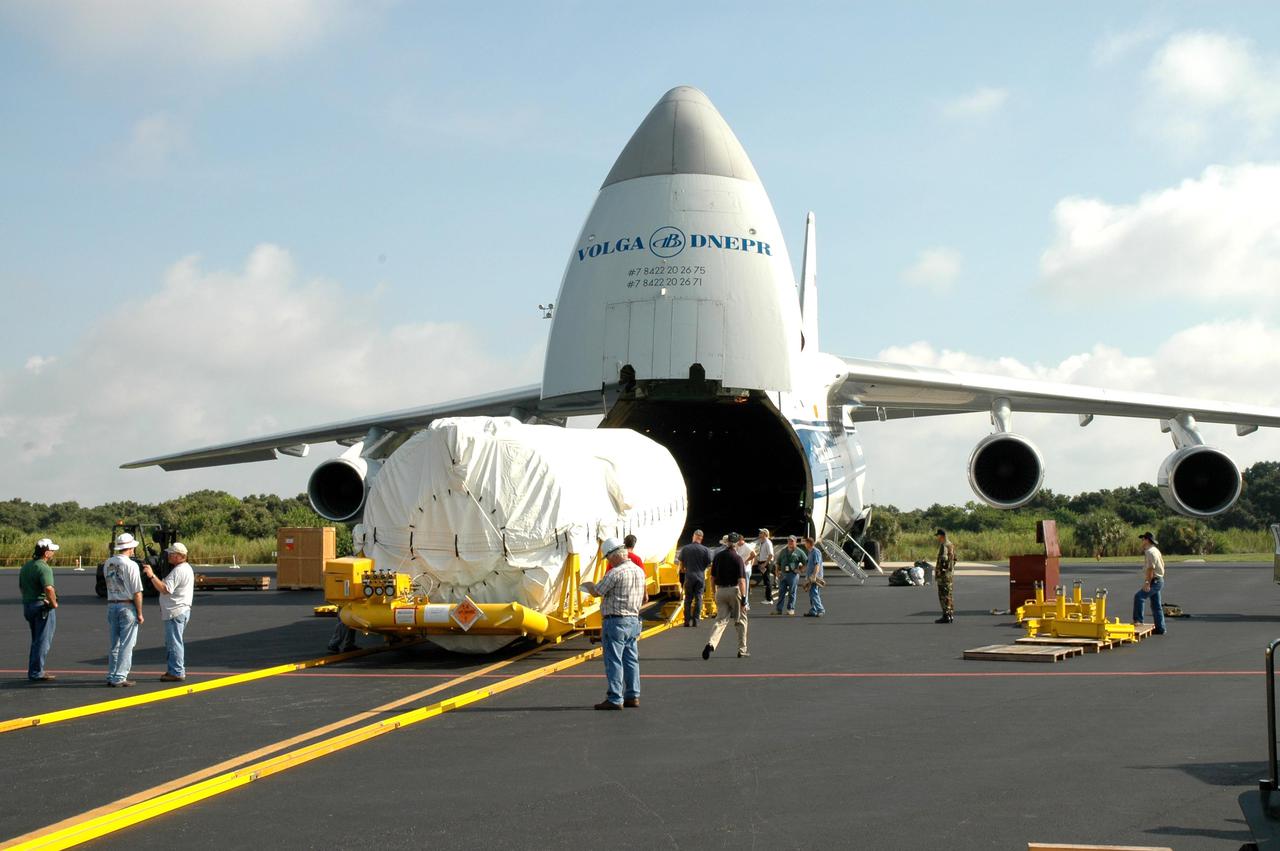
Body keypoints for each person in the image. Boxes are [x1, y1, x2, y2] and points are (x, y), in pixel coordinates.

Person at [582, 537, 646, 709]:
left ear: (615, 555)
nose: (609, 561)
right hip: (633, 620)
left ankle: (615, 698)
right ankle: (633, 695)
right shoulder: (639, 571)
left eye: (609, 558)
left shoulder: (615, 573)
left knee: (614, 660)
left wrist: (587, 586)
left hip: (615, 621)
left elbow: (598, 591)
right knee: (631, 659)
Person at [142, 542, 194, 681]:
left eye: (171, 554)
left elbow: (165, 589)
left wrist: (152, 576)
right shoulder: (185, 568)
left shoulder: (179, 571)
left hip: (175, 611)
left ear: (178, 556)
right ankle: (174, 669)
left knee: (174, 642)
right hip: (179, 610)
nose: (168, 556)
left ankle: (176, 671)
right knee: (173, 641)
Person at [103, 532, 145, 687]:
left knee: (115, 643)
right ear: (130, 548)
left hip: (112, 603)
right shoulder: (131, 565)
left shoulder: (108, 563)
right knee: (127, 643)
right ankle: (120, 676)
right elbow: (137, 592)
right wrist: (140, 613)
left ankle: (112, 673)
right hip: (126, 604)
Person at [19, 537, 60, 682]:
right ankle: (36, 672)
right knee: (43, 640)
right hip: (41, 607)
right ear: (46, 553)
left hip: (28, 605)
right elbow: (48, 588)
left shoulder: (26, 566)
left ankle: (35, 669)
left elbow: (22, 587)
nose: (53, 553)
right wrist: (54, 603)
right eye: (52, 551)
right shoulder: (44, 567)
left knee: (36, 640)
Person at [703, 532, 749, 659]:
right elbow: (742, 581)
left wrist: (713, 593)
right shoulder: (737, 558)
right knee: (741, 620)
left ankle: (711, 643)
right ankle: (742, 649)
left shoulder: (718, 557)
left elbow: (712, 578)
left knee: (721, 620)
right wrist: (744, 598)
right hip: (733, 590)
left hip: (720, 591)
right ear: (736, 544)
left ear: (727, 542)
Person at [676, 529, 712, 627]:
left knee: (688, 599)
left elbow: (681, 564)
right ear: (701, 538)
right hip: (700, 576)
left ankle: (687, 621)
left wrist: (684, 569)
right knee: (699, 598)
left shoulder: (685, 549)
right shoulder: (705, 550)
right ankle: (696, 620)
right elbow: (709, 564)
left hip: (689, 576)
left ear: (693, 536)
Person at [1133, 531, 1167, 635]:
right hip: (1159, 579)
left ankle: (1138, 621)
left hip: (1154, 581)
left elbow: (1150, 569)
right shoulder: (1155, 550)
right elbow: (1162, 564)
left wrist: (1147, 583)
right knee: (1156, 605)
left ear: (1147, 540)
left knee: (1139, 597)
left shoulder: (1150, 552)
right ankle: (1160, 628)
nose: (1142, 541)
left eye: (1143, 539)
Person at [774, 536, 805, 615]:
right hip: (783, 574)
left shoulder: (799, 552)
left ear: (795, 542)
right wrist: (777, 572)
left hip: (793, 575)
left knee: (792, 592)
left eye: (792, 541)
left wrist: (800, 570)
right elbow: (778, 562)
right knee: (781, 592)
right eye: (789, 541)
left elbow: (806, 562)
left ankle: (790, 609)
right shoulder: (783, 551)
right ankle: (779, 609)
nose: (790, 542)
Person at [934, 529, 956, 623]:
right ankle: (950, 614)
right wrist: (950, 569)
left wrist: (940, 571)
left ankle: (946, 615)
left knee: (943, 595)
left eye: (938, 536)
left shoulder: (944, 546)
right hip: (950, 574)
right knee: (949, 594)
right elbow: (955, 559)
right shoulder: (951, 545)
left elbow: (943, 559)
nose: (937, 538)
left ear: (941, 536)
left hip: (944, 575)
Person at [802, 536, 825, 617]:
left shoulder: (815, 552)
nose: (804, 544)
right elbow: (809, 564)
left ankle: (820, 610)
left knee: (813, 593)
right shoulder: (810, 552)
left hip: (815, 577)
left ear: (809, 543)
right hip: (810, 576)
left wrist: (814, 576)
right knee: (813, 594)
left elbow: (817, 564)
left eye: (805, 542)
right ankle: (813, 610)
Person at [754, 529, 775, 603]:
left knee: (767, 581)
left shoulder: (767, 543)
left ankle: (769, 599)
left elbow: (771, 555)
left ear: (765, 534)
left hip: (766, 563)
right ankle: (768, 598)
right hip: (762, 562)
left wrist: (764, 564)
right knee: (766, 581)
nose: (759, 534)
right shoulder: (762, 542)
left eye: (761, 533)